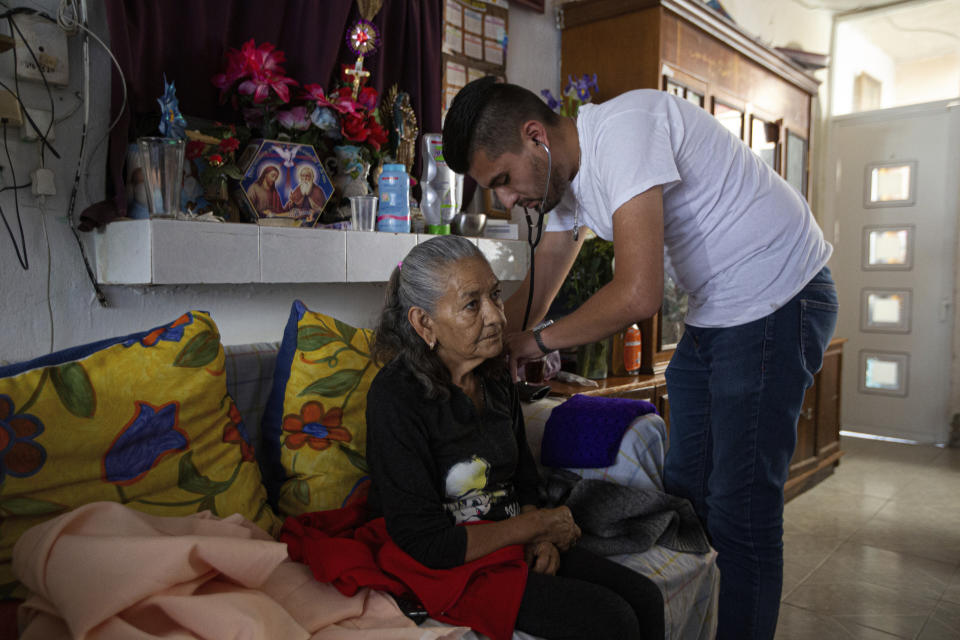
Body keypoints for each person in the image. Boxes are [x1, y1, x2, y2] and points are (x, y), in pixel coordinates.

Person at [441, 76, 839, 640]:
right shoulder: (564, 184)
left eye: (503, 180)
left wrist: (538, 342)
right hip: (719, 309)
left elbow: (637, 294)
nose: (506, 200)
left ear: (537, 138)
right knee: (686, 489)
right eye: (493, 190)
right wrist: (483, 340)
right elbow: (541, 279)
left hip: (780, 296)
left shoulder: (624, 130)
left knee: (739, 508)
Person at [366, 235, 665, 640]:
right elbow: (427, 542)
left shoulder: (493, 374)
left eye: (496, 295)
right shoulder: (396, 396)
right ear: (423, 323)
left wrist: (539, 533)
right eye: (472, 304)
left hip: (507, 535)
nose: (496, 317)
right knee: (612, 620)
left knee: (646, 598)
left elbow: (523, 477)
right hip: (447, 560)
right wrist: (536, 527)